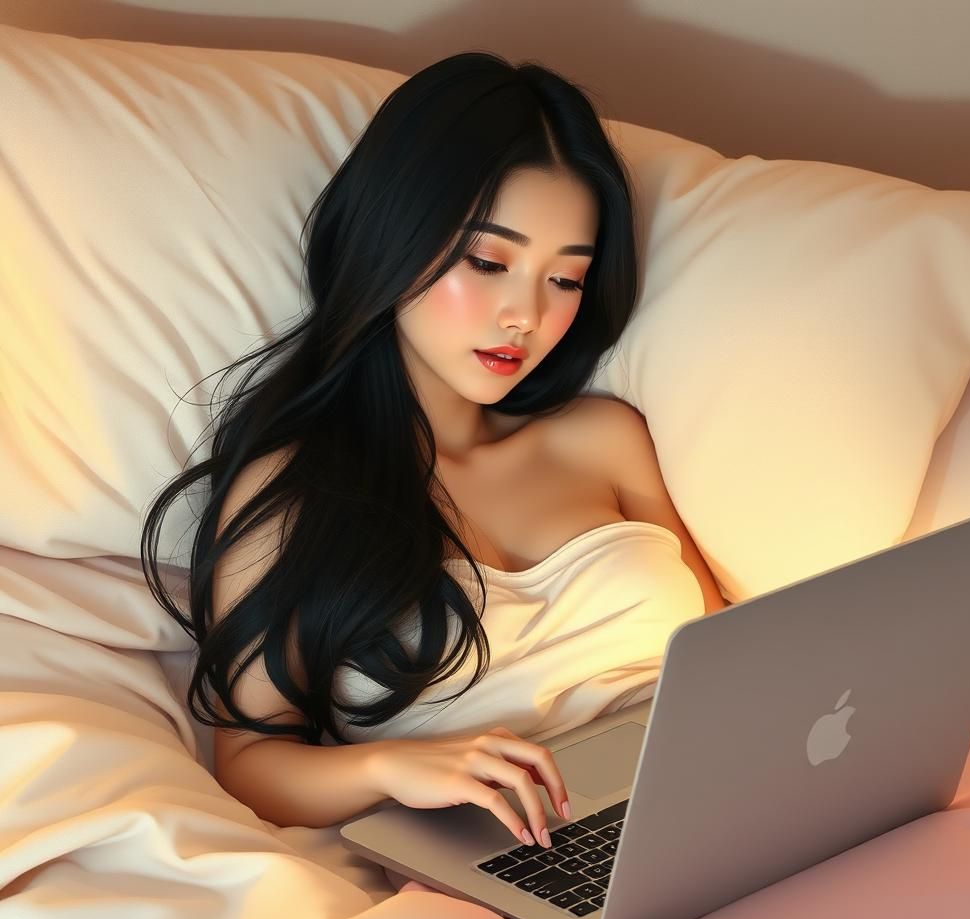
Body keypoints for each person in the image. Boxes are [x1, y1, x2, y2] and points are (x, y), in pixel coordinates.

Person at [140, 51, 716, 869]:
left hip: (702, 805)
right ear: (394, 237)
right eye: (489, 263)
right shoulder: (297, 489)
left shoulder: (607, 437)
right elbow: (252, 767)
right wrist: (393, 766)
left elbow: (731, 656)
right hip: (512, 856)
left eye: (566, 278)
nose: (526, 315)